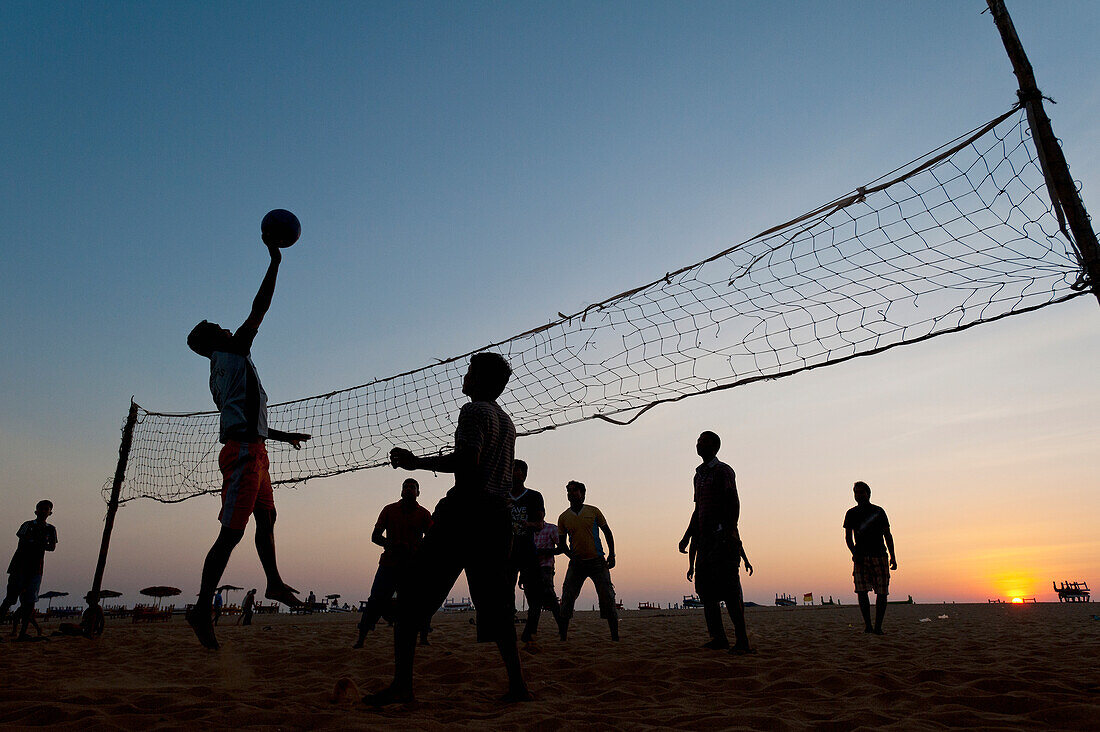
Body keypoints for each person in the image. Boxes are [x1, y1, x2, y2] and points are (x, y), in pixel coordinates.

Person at [366, 352, 531, 705]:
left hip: (466, 513)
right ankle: (518, 686)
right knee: (498, 607)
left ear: (481, 380)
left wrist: (416, 462)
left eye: (470, 370)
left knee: (411, 597)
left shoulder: (474, 412)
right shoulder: (507, 420)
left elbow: (467, 464)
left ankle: (402, 686)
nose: (465, 374)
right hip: (498, 518)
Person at [185, 240, 311, 650]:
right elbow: (260, 308)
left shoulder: (222, 370)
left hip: (254, 450)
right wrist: (274, 263)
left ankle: (273, 581)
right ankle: (202, 608)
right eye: (216, 327)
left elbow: (244, 418)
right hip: (243, 456)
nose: (225, 327)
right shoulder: (232, 350)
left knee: (268, 519)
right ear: (212, 340)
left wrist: (281, 435)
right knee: (230, 536)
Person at [678, 431, 752, 653]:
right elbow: (697, 508)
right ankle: (719, 638)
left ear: (714, 447)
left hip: (722, 540)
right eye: (698, 441)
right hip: (704, 541)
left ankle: (742, 641)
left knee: (730, 591)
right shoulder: (698, 475)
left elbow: (734, 502)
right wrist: (687, 536)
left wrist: (728, 531)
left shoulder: (723, 471)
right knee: (705, 591)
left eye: (703, 441)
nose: (698, 444)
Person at [353, 478, 433, 649]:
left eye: (413, 487)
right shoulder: (389, 510)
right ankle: (361, 639)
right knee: (375, 600)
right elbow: (375, 536)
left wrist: (418, 551)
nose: (409, 489)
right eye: (406, 486)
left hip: (413, 565)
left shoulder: (424, 514)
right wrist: (391, 545)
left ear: (418, 492)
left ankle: (424, 637)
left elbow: (433, 540)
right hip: (389, 564)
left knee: (420, 602)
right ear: (401, 491)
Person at [557, 481, 618, 642]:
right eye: (569, 491)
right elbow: (562, 544)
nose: (571, 494)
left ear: (582, 494)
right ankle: (563, 638)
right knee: (567, 597)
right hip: (577, 564)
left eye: (575, 491)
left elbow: (607, 533)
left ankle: (615, 638)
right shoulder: (563, 517)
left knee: (607, 596)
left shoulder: (593, 511)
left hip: (598, 562)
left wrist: (612, 555)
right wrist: (571, 556)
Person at [507, 460, 560, 644]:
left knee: (535, 595)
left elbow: (539, 524)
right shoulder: (500, 496)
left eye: (517, 469)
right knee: (505, 592)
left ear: (524, 474)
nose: (513, 472)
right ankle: (507, 632)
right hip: (506, 551)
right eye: (510, 468)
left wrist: (526, 524)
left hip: (527, 550)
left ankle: (530, 632)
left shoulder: (534, 496)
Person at [844, 481, 897, 635]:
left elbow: (888, 535)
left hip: (879, 555)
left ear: (868, 493)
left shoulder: (878, 512)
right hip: (861, 557)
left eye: (861, 492)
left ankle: (878, 627)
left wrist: (893, 556)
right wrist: (855, 553)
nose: (858, 495)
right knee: (861, 591)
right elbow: (848, 538)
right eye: (856, 492)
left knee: (882, 591)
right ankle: (868, 626)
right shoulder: (851, 513)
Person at [0, 500, 57, 641]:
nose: (43, 511)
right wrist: (39, 543)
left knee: (29, 603)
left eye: (46, 509)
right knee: (10, 600)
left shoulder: (51, 529)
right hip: (19, 567)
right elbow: (24, 540)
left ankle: (23, 633)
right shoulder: (28, 525)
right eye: (41, 509)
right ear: (36, 511)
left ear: (50, 512)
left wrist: (36, 543)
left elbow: (52, 547)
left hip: (36, 569)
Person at [526, 509, 563, 643]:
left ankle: (561, 627)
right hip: (530, 568)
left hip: (546, 567)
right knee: (533, 601)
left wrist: (544, 551)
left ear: (543, 514)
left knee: (549, 597)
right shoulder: (527, 531)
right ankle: (532, 631)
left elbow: (561, 548)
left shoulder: (551, 529)